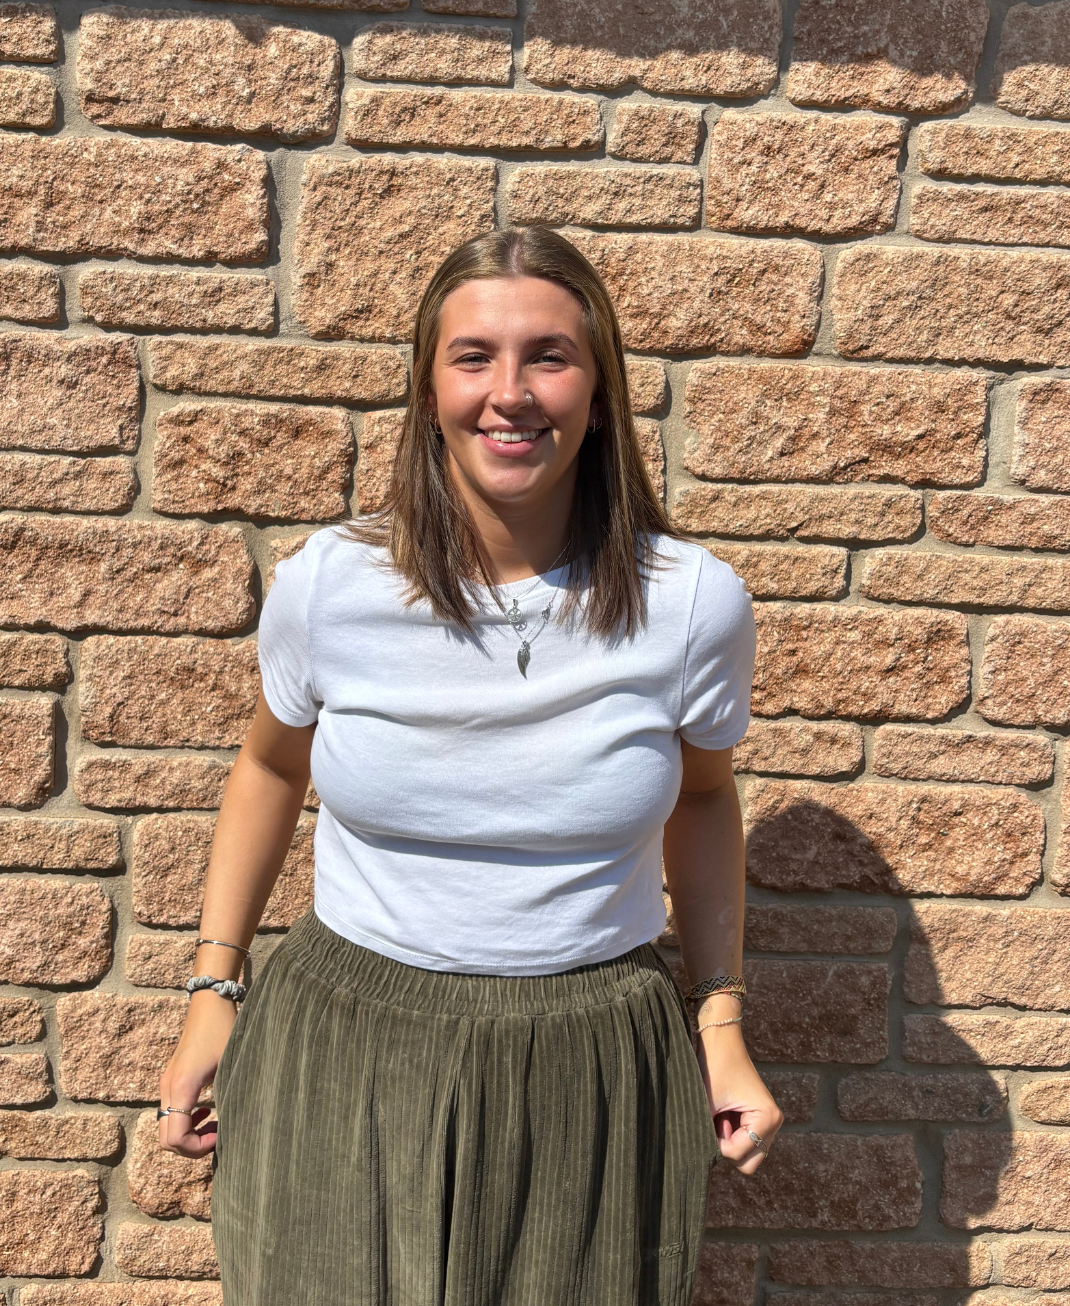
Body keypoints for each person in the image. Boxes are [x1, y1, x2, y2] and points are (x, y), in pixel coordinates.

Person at [158, 226, 782, 1306]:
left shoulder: (690, 605)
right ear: (427, 386)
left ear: (599, 385)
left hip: (593, 1057)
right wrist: (215, 987)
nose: (512, 392)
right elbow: (266, 771)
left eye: (548, 354)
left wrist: (717, 1020)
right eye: (473, 357)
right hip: (346, 1045)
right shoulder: (331, 586)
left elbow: (706, 800)